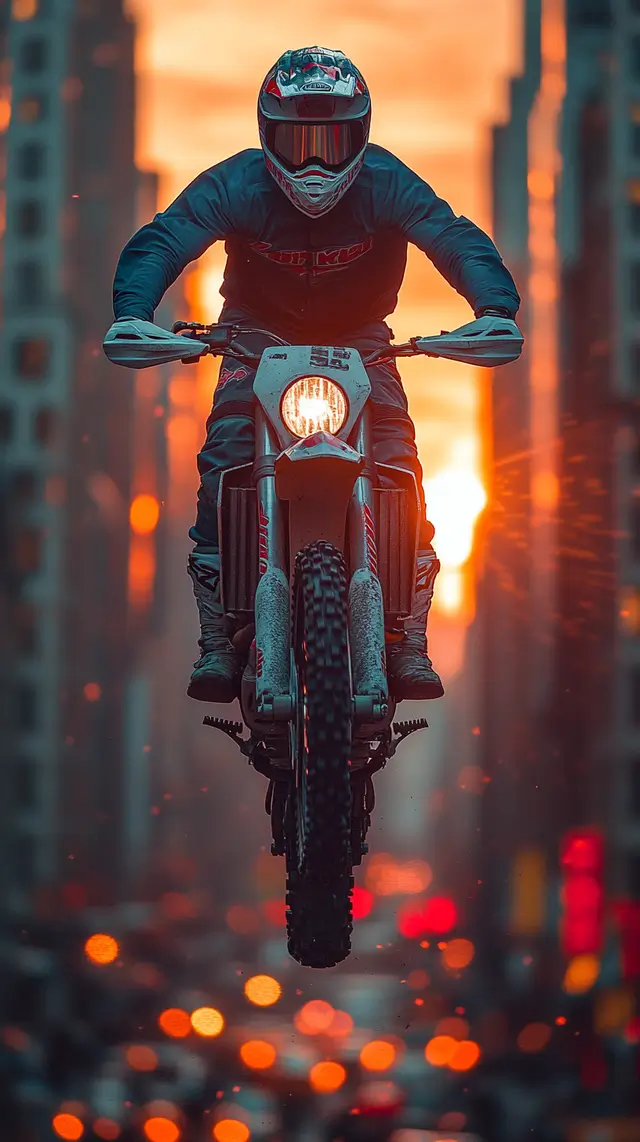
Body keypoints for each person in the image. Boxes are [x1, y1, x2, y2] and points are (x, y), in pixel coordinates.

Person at [107, 46, 520, 705]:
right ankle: (217, 637)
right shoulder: (236, 185)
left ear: (361, 135)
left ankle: (409, 637)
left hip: (362, 345)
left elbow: (451, 234)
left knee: (400, 465)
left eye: (332, 141)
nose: (316, 161)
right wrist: (133, 312)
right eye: (299, 141)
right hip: (251, 340)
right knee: (223, 460)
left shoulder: (388, 184)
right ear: (268, 135)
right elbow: (168, 236)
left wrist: (495, 308)